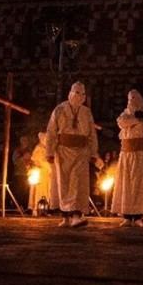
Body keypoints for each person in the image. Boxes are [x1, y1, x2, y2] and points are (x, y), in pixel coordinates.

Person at [45, 82, 102, 228]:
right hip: (63, 151)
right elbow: (51, 132)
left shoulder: (86, 112)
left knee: (77, 182)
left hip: (81, 152)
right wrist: (49, 151)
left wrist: (93, 152)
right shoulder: (60, 109)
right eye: (77, 93)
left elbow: (91, 134)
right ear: (71, 93)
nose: (79, 97)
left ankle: (76, 215)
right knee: (63, 183)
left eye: (82, 94)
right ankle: (65, 216)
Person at [112, 89, 143, 227]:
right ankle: (127, 215)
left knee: (139, 184)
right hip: (127, 154)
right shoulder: (125, 114)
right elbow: (122, 122)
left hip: (140, 154)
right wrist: (137, 118)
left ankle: (139, 215)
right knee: (126, 184)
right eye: (130, 99)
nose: (132, 101)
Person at [28, 132, 54, 214]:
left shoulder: (48, 149)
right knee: (39, 192)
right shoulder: (38, 148)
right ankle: (36, 208)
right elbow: (37, 160)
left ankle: (45, 209)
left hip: (46, 175)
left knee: (46, 191)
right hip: (41, 174)